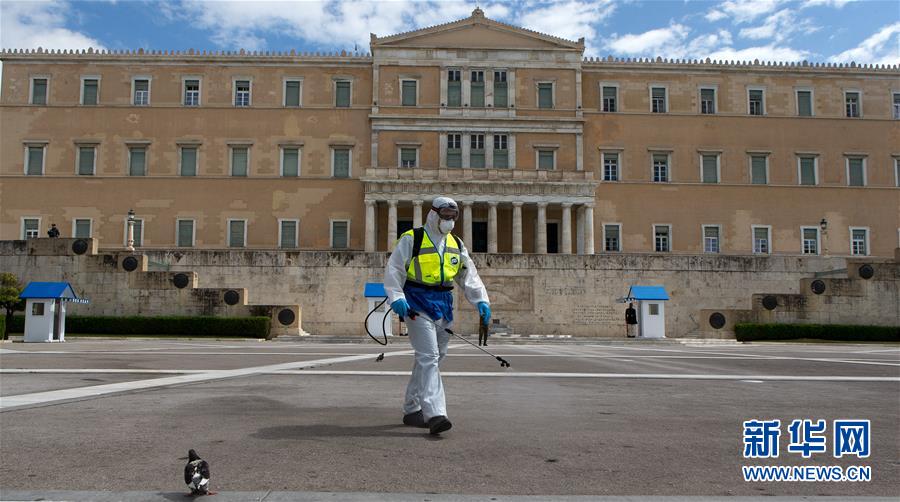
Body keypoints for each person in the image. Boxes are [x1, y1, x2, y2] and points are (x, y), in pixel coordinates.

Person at [384, 196, 490, 435]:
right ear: (433, 215)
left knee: (433, 357)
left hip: (443, 302)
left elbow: (467, 275)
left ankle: (412, 408)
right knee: (429, 356)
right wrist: (397, 298)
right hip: (417, 302)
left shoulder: (456, 243)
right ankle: (435, 414)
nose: (450, 222)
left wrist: (481, 300)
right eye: (446, 217)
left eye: (453, 217)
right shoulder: (413, 238)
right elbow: (394, 269)